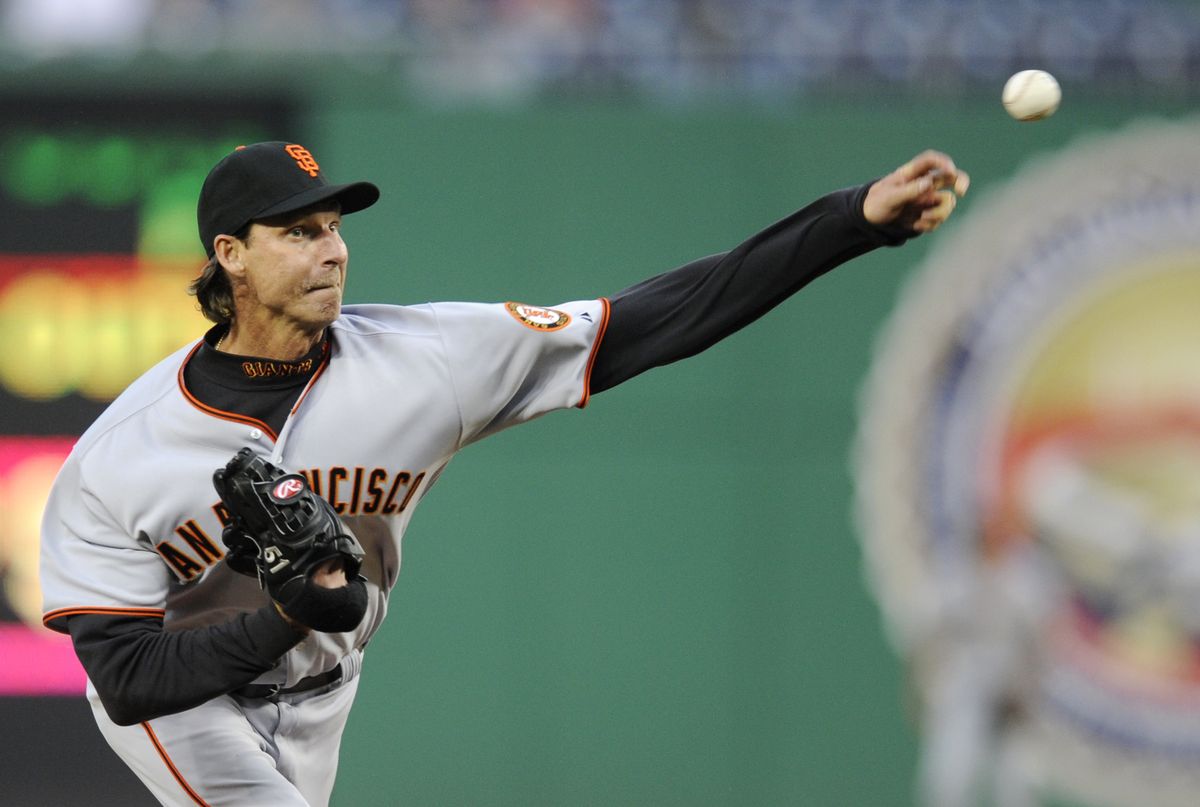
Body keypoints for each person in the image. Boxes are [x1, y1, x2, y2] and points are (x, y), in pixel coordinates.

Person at [39, 140, 968, 806]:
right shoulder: (126, 453)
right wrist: (284, 616)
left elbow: (650, 320)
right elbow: (125, 678)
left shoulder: (424, 359)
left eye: (331, 226)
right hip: (183, 700)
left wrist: (851, 222)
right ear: (230, 256)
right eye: (295, 231)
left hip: (325, 691)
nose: (330, 248)